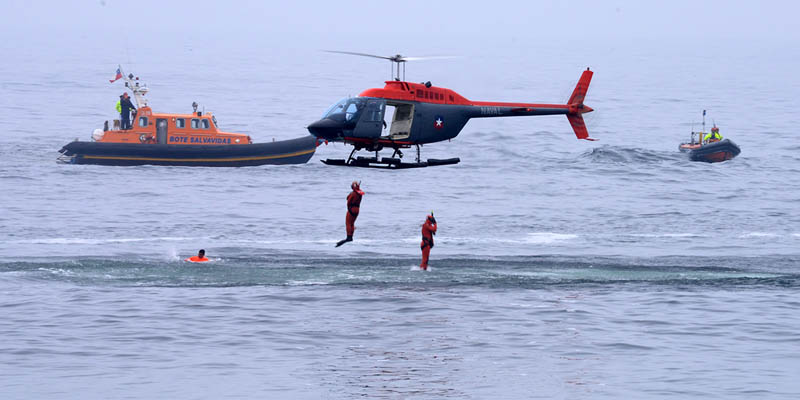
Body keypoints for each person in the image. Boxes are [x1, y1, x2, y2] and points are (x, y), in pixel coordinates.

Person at [336, 181, 364, 247]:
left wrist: (349, 209)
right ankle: (351, 236)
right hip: (357, 209)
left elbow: (348, 201)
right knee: (352, 223)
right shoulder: (359, 193)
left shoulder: (353, 194)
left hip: (352, 209)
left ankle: (349, 237)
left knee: (348, 223)